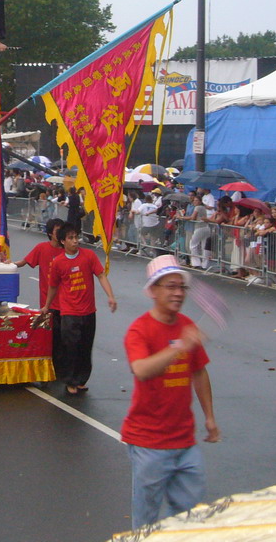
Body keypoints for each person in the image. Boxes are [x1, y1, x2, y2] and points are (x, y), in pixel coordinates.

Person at [121, 255, 218, 529]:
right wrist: (178, 347)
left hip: (185, 441)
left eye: (181, 287)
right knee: (146, 523)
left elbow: (199, 371)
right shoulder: (139, 330)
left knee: (192, 517)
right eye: (170, 286)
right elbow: (141, 369)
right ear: (153, 290)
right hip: (148, 443)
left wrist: (209, 417)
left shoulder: (187, 326)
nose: (177, 293)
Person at [40, 222, 117, 396]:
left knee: (85, 346)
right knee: (70, 347)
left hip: (89, 311)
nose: (75, 241)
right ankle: (70, 380)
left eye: (76, 237)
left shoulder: (89, 256)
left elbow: (101, 275)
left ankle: (82, 379)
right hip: (69, 312)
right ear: (62, 242)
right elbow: (53, 287)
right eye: (71, 238)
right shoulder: (58, 262)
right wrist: (47, 306)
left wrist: (111, 296)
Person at [13, 218, 66, 378]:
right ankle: (52, 366)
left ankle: (64, 366)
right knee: (52, 336)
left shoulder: (68, 251)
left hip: (68, 303)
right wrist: (8, 265)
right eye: (57, 231)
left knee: (67, 336)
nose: (61, 234)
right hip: (49, 303)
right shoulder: (42, 248)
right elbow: (23, 262)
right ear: (50, 233)